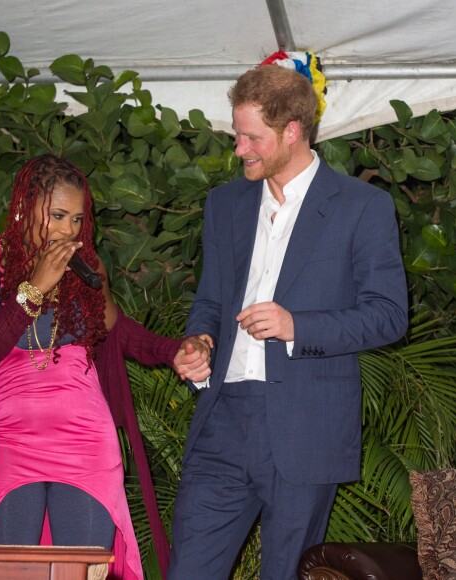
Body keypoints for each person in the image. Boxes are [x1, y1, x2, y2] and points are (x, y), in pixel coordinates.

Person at [169, 64, 408, 579]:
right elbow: (210, 299)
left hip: (306, 429)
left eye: (252, 137)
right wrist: (200, 341)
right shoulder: (225, 204)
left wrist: (298, 326)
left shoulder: (362, 207)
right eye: (237, 135)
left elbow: (389, 316)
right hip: (223, 423)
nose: (239, 149)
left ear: (293, 132)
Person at [0, 154, 210, 580]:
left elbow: (118, 330)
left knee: (82, 571)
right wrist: (34, 289)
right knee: (10, 572)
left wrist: (174, 350)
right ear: (22, 207)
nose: (70, 230)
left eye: (77, 219)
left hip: (85, 436)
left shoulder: (87, 269)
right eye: (58, 216)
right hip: (11, 439)